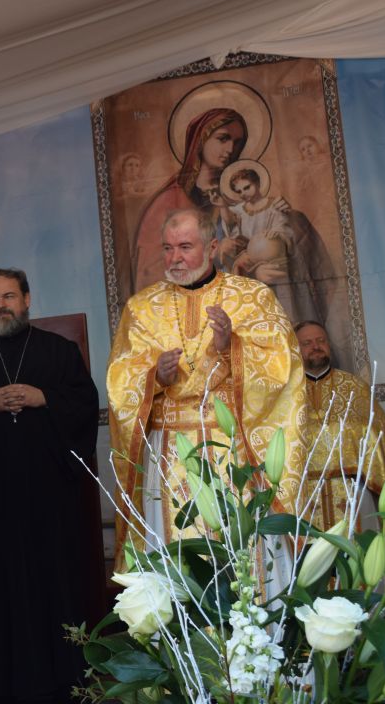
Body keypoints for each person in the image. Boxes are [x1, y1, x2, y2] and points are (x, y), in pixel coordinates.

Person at [108, 208, 308, 575]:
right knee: (177, 558)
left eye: (185, 247)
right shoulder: (140, 308)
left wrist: (233, 346)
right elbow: (121, 379)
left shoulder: (253, 297)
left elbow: (282, 367)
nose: (175, 258)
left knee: (241, 554)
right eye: (168, 248)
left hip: (231, 447)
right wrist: (154, 377)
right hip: (169, 453)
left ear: (212, 247)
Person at [0, 268, 100, 703]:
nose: (1, 306)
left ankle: (64, 678)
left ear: (26, 300)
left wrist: (46, 398)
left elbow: (86, 405)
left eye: (8, 296)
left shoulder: (59, 351)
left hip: (49, 496)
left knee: (53, 583)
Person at [296, 321, 385, 540]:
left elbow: (381, 436)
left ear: (329, 345)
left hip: (354, 490)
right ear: (294, 348)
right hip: (304, 493)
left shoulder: (354, 387)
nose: (316, 346)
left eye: (321, 340)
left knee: (359, 551)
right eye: (307, 343)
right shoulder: (288, 393)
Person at [131, 108, 248, 290]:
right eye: (223, 139)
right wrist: (212, 253)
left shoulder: (241, 192)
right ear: (201, 140)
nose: (230, 149)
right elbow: (149, 270)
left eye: (237, 142)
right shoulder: (169, 200)